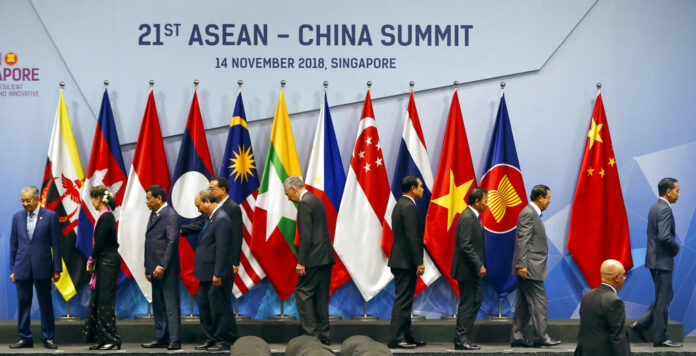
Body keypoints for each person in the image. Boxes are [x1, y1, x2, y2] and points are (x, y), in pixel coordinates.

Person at [631, 177, 682, 348]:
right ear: (668, 192)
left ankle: (643, 323)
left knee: (665, 295)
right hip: (662, 260)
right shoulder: (665, 209)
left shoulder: (655, 206)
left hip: (654, 260)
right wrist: (676, 248)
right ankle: (660, 337)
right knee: (663, 299)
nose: (678, 194)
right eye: (677, 190)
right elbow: (664, 236)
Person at [283, 176, 335, 345]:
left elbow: (306, 236)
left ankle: (310, 336)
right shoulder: (316, 199)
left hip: (312, 258)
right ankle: (323, 336)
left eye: (287, 194)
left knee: (303, 294)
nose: (288, 198)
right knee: (321, 297)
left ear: (293, 189)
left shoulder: (304, 203)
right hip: (325, 257)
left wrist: (301, 261)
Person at [9, 186, 62, 349]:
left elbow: (56, 245)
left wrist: (57, 268)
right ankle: (25, 338)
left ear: (37, 198)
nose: (25, 204)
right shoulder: (17, 217)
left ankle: (48, 338)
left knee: (45, 304)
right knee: (23, 303)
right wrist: (13, 269)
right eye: (23, 201)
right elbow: (13, 245)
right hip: (22, 267)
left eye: (28, 200)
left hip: (43, 267)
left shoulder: (50, 216)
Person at [510, 184, 561, 347]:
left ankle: (518, 337)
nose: (549, 201)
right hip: (530, 268)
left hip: (529, 266)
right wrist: (522, 265)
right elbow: (523, 240)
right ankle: (541, 336)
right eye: (548, 198)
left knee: (523, 304)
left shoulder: (531, 213)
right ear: (540, 198)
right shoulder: (529, 213)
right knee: (540, 302)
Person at [191, 190, 238, 351]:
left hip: (216, 274)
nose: (198, 210)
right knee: (205, 307)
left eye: (199, 206)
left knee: (218, 308)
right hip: (205, 273)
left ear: (207, 202)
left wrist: (217, 273)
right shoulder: (211, 219)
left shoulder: (222, 218)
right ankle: (210, 338)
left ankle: (222, 340)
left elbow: (222, 249)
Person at [386, 176, 426, 349]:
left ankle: (408, 335)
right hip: (406, 262)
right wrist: (419, 262)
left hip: (400, 260)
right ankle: (396, 338)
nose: (423, 189)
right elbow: (412, 237)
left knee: (406, 300)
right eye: (420, 187)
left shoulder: (400, 204)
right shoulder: (408, 207)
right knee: (403, 300)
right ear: (412, 189)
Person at [141, 185, 181, 350]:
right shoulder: (154, 214)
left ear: (159, 198)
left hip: (166, 269)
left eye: (149, 198)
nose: (147, 202)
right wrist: (148, 267)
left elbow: (172, 242)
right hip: (154, 268)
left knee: (170, 305)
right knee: (159, 305)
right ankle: (161, 337)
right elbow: (151, 241)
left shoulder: (170, 215)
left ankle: (174, 339)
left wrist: (162, 265)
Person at [83, 186, 121, 350]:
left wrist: (91, 260)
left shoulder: (106, 217)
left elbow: (100, 243)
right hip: (104, 261)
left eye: (92, 198)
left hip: (107, 261)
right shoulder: (104, 216)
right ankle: (100, 336)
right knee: (98, 300)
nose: (92, 202)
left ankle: (111, 338)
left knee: (105, 300)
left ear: (98, 198)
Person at [451, 187, 488, 350]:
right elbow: (465, 245)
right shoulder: (467, 217)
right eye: (485, 201)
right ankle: (460, 339)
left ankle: (464, 337)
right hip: (467, 270)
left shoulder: (474, 217)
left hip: (472, 271)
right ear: (477, 201)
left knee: (476, 300)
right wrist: (478, 265)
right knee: (467, 304)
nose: (487, 204)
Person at [574, 259, 630, 356]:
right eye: (623, 274)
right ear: (616, 277)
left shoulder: (587, 296)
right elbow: (617, 338)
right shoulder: (615, 301)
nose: (624, 278)